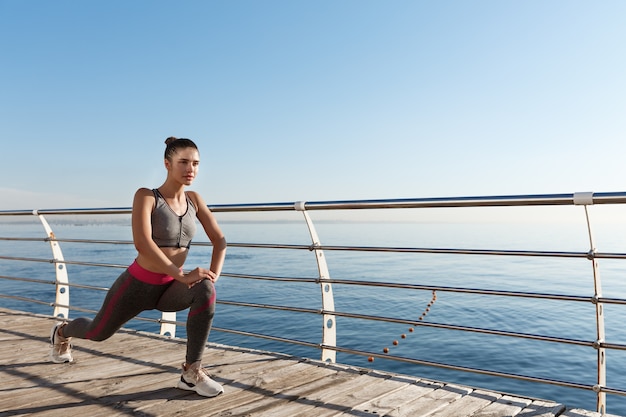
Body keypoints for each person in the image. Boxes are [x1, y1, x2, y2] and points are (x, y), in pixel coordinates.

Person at [49, 136, 227, 397]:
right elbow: (142, 243)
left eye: (196, 163)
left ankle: (191, 372)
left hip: (171, 288)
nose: (191, 169)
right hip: (137, 286)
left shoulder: (195, 200)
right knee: (97, 332)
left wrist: (212, 276)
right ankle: (62, 331)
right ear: (167, 163)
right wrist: (181, 274)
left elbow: (220, 241)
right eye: (184, 162)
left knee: (206, 290)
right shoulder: (146, 196)